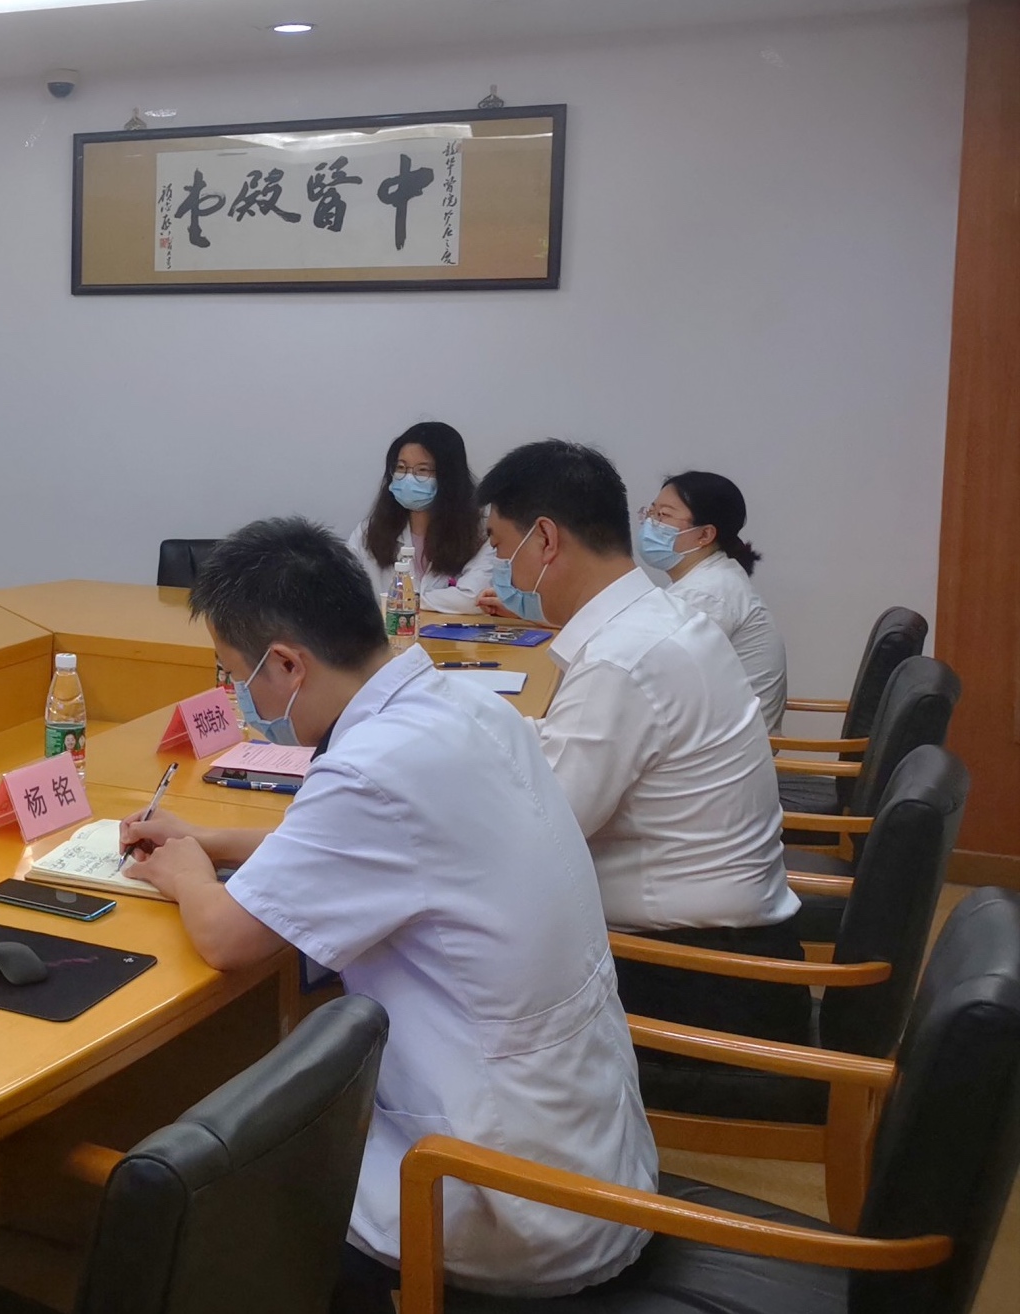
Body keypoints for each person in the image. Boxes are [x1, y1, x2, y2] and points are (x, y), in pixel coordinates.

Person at [120, 517, 654, 1307]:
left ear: (287, 664)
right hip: (585, 1148)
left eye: (236, 676)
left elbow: (230, 938)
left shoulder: (374, 767)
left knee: (208, 1199)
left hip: (495, 1186)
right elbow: (378, 845)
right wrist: (211, 838)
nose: (240, 699)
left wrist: (188, 874)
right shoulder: (460, 706)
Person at [476, 441, 802, 1035]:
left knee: (439, 967)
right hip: (721, 947)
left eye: (499, 545)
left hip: (695, 980)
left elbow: (540, 835)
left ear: (545, 539)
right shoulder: (658, 621)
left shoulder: (623, 658)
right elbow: (571, 747)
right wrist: (476, 729)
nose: (500, 564)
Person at [641, 471, 788, 734]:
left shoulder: (708, 593)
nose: (650, 523)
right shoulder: (708, 579)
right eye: (650, 512)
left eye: (663, 515)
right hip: (717, 733)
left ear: (705, 534)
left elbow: (660, 679)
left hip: (728, 747)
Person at [345, 421, 497, 614]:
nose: (408, 478)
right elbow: (345, 591)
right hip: (389, 633)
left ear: (449, 477)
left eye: (422, 470)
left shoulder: (481, 531)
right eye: (401, 468)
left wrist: (402, 602)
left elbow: (474, 598)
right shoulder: (368, 533)